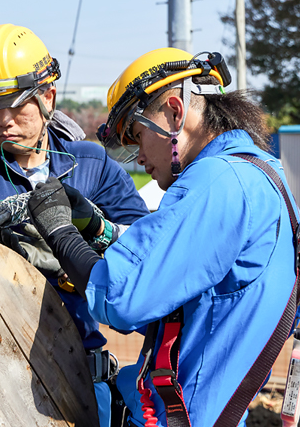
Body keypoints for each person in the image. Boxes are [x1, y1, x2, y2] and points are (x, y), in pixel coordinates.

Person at [25, 47, 300, 426]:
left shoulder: (215, 181)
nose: (139, 156)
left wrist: (59, 230)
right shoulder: (264, 173)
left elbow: (122, 298)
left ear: (174, 111)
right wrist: (99, 230)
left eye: (138, 136)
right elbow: (187, 295)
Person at [0, 23, 150, 427]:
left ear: (48, 96)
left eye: (15, 104)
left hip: (81, 377)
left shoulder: (92, 167)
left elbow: (147, 255)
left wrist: (88, 236)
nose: (2, 119)